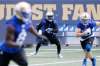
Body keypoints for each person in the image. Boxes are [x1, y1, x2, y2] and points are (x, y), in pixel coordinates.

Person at [0, 2, 46, 66]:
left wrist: (38, 35)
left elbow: (30, 27)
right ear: (19, 13)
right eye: (24, 14)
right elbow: (8, 42)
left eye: (27, 14)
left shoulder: (26, 20)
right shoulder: (11, 25)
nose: (27, 15)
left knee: (24, 64)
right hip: (5, 50)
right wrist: (23, 45)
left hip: (16, 50)